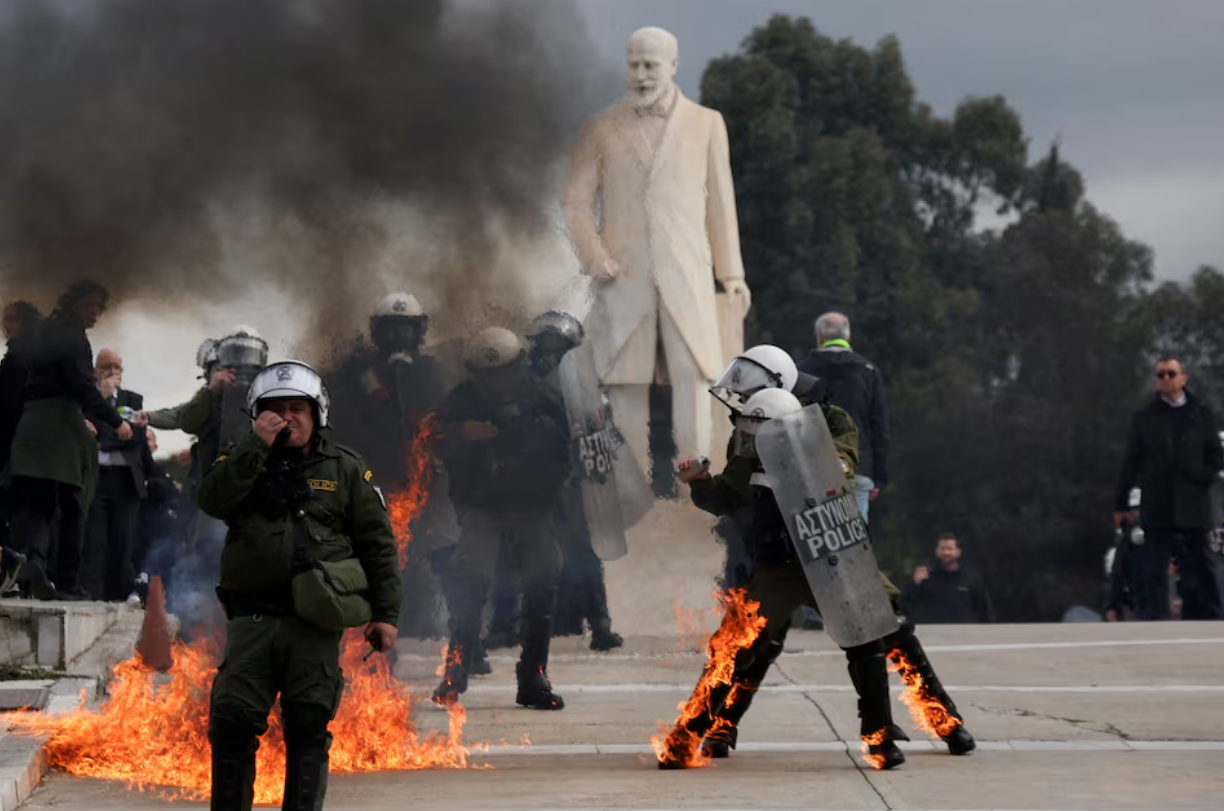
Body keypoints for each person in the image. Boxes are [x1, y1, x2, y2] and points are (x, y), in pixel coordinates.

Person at [674, 346, 974, 765]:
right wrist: (701, 482)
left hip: (833, 549)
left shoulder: (833, 422)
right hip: (777, 556)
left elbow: (843, 469)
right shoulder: (750, 426)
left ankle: (941, 723)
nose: (746, 410)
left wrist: (821, 459)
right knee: (743, 645)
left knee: (890, 627)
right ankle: (711, 729)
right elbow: (731, 494)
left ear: (780, 388)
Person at [197, 360, 400, 811]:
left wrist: (386, 615)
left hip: (313, 623)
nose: (287, 417)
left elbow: (378, 545)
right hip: (252, 621)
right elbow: (211, 500)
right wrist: (257, 446)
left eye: (297, 408)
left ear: (317, 413)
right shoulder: (241, 460)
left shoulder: (346, 468)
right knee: (231, 725)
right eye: (275, 410)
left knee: (308, 727)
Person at [561, 26, 752, 479]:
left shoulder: (707, 123)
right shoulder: (600, 127)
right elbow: (573, 201)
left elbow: (721, 205)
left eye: (651, 64)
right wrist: (595, 257)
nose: (642, 74)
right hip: (623, 275)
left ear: (673, 65)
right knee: (625, 381)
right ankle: (631, 482)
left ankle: (700, 477)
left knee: (697, 377)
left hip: (687, 273)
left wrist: (732, 275)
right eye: (635, 64)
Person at [432, 327, 570, 710]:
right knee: (469, 585)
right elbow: (432, 436)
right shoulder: (462, 400)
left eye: (504, 373)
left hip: (531, 507)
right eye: (488, 376)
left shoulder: (543, 398)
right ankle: (455, 673)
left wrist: (528, 437)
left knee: (542, 588)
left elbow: (566, 451)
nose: (497, 382)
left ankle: (533, 677)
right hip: (482, 507)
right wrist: (461, 434)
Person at [326, 292, 452, 640]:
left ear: (419, 331)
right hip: (374, 479)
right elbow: (342, 425)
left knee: (434, 551)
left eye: (407, 329)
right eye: (392, 329)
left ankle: (439, 625)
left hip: (422, 480)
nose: (400, 338)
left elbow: (440, 419)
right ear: (378, 332)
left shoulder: (428, 371)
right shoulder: (357, 374)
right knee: (379, 555)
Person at [3, 282, 131, 600]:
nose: (96, 314)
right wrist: (117, 421)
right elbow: (82, 387)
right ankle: (67, 583)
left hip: (35, 426)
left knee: (39, 504)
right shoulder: (72, 335)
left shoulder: (46, 331)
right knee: (74, 501)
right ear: (74, 303)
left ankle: (33, 569)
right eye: (91, 306)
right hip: (57, 426)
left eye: (100, 308)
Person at [526, 311, 622, 651]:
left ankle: (599, 625)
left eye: (559, 346)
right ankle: (561, 621)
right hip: (537, 480)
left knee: (583, 552)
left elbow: (606, 435)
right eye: (546, 345)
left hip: (574, 481)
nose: (551, 353)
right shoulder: (526, 385)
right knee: (540, 552)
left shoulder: (586, 386)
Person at [1115, 356, 1224, 620]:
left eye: (1171, 374)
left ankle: (1213, 616)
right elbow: (1131, 462)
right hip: (1158, 501)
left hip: (1194, 501)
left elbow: (1216, 456)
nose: (1165, 379)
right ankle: (1158, 620)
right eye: (1161, 375)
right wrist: (1121, 504)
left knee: (1202, 563)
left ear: (1183, 378)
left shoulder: (1201, 414)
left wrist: (1201, 476)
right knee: (1155, 567)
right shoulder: (1145, 418)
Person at [797, 313, 889, 522]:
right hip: (858, 465)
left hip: (812, 468)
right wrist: (878, 476)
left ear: (819, 336)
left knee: (817, 537)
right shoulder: (869, 371)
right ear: (848, 337)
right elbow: (879, 426)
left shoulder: (801, 371)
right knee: (856, 541)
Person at [81, 348, 156, 602]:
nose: (112, 372)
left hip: (126, 479)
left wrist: (105, 440)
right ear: (95, 371)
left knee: (124, 539)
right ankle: (91, 593)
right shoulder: (88, 399)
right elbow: (87, 432)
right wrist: (102, 405)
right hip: (97, 477)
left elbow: (135, 438)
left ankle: (122, 593)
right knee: (94, 538)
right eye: (106, 366)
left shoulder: (132, 399)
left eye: (116, 367)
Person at [1, 300, 41, 587]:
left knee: (16, 510)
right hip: (19, 444)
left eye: (12, 319)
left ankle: (17, 564)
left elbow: (9, 404)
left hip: (14, 443)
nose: (6, 325)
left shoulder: (19, 358)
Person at [902, 534, 995, 624]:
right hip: (933, 634)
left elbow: (984, 609)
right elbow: (905, 605)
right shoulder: (926, 577)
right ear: (937, 552)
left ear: (958, 552)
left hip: (965, 634)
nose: (946, 552)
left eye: (950, 549)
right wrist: (914, 583)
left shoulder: (971, 577)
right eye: (942, 548)